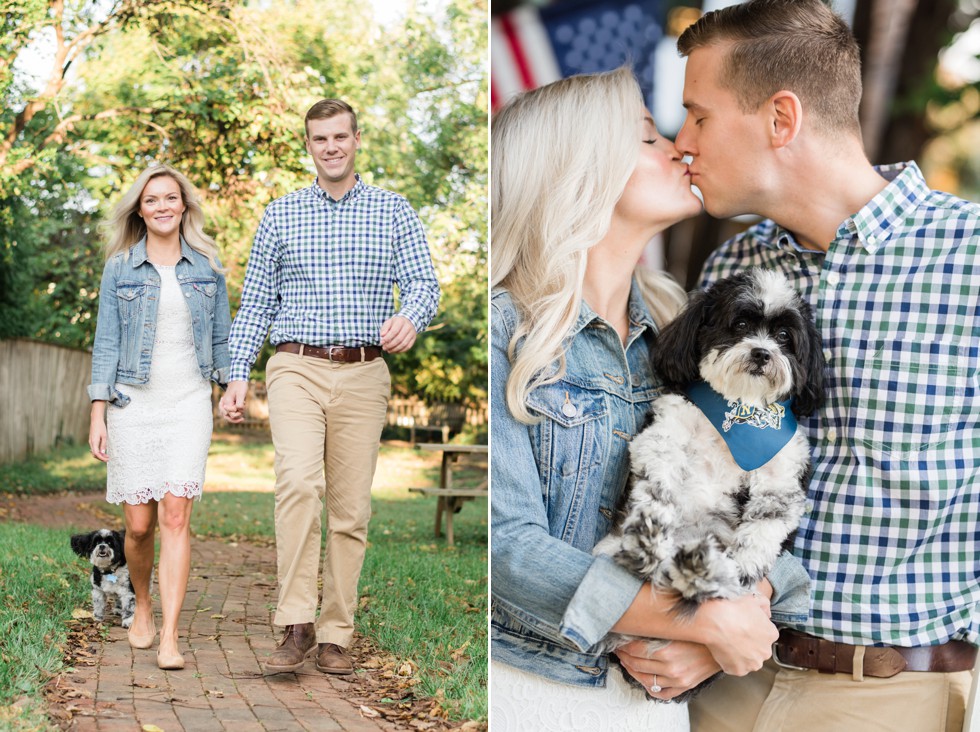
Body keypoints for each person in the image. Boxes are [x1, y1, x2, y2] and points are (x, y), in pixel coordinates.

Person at [628, 1, 980, 730]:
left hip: (891, 693)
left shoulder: (969, 258)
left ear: (780, 119)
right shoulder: (736, 268)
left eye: (699, 115)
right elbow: (712, 477)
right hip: (724, 682)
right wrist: (706, 626)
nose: (682, 141)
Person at [490, 67, 811, 731]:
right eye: (646, 136)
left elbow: (758, 491)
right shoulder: (504, 333)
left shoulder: (684, 335)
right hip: (533, 685)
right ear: (580, 171)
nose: (677, 146)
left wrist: (737, 620)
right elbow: (505, 549)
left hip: (651, 701)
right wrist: (701, 619)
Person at [219, 99, 440, 676]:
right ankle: (296, 620)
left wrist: (411, 317)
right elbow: (258, 302)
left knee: (351, 511)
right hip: (295, 365)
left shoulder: (392, 210)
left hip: (365, 372)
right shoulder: (280, 214)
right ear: (309, 146)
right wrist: (236, 373)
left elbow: (423, 281)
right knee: (296, 481)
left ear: (357, 139)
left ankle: (336, 631)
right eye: (320, 139)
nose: (331, 147)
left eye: (340, 136)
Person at [88, 163, 232, 671]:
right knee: (140, 525)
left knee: (175, 515)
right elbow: (105, 341)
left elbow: (221, 338)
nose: (163, 206)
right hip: (133, 403)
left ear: (184, 205)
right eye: (152, 200)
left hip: (188, 401)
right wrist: (97, 411)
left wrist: (232, 385)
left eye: (171, 198)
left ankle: (170, 634)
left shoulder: (208, 268)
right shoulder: (120, 268)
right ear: (140, 210)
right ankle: (141, 604)